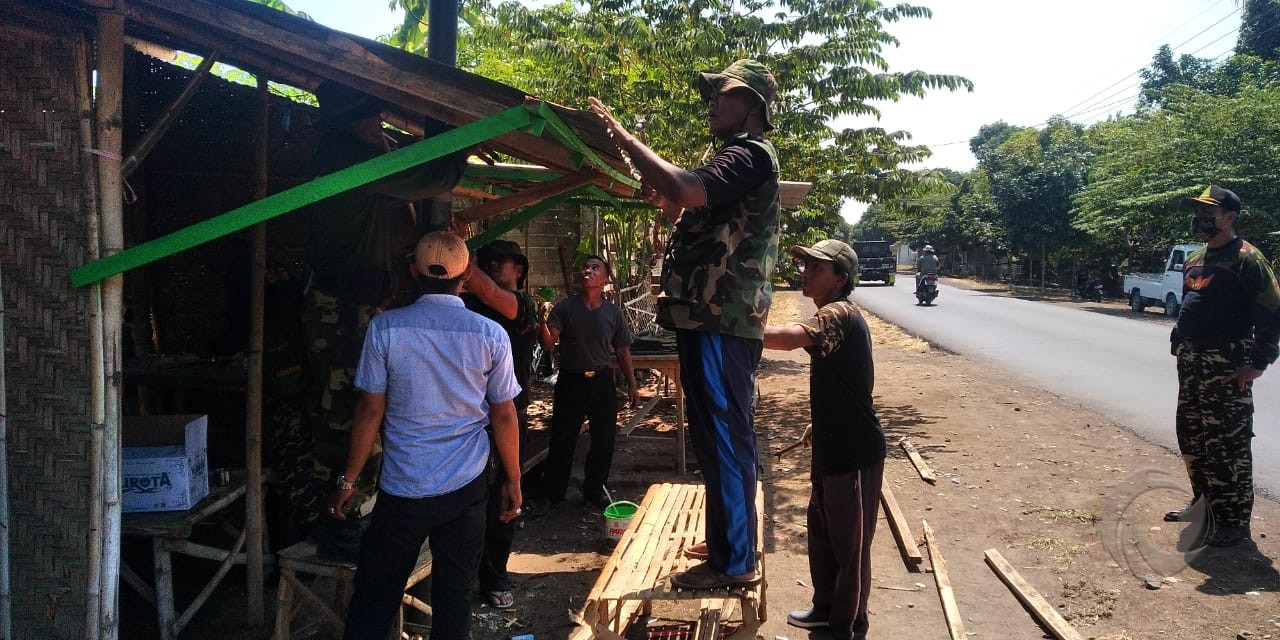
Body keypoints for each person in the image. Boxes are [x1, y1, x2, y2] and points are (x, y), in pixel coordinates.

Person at [589, 59, 780, 590]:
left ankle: (736, 562)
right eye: (713, 94)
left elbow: (683, 187)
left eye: (725, 94)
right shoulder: (731, 159)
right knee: (716, 436)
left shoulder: (749, 155)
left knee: (725, 437)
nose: (712, 102)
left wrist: (625, 137)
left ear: (753, 106)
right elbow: (680, 202)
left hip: (722, 321)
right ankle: (728, 542)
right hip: (708, 319)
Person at [328, 231, 523, 640]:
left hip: (404, 489)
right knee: (454, 597)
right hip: (466, 489)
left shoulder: (386, 328)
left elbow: (369, 410)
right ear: (465, 277)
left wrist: (349, 481)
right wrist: (513, 479)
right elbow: (504, 415)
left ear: (414, 271)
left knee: (375, 595)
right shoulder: (490, 335)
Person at [301, 81, 468, 545]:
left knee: (349, 407)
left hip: (348, 302)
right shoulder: (349, 160)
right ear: (352, 123)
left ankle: (346, 507)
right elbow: (434, 178)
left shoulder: (345, 156)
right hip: (343, 308)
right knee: (355, 409)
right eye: (373, 118)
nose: (380, 126)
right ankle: (345, 514)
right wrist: (454, 148)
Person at [764, 239, 885, 640]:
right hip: (832, 444)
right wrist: (820, 423)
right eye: (806, 265)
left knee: (850, 545)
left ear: (840, 278)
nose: (806, 272)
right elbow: (854, 381)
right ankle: (824, 608)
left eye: (816, 268)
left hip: (853, 450)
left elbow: (785, 338)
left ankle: (845, 626)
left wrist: (730, 326)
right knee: (823, 532)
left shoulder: (838, 312)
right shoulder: (837, 316)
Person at [1164, 185, 1280, 547]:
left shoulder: (1247, 259)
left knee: (1227, 446)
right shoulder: (1195, 259)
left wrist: (1258, 363)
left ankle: (1233, 523)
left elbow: (1272, 312)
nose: (1201, 218)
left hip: (1227, 366)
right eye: (1198, 211)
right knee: (1193, 438)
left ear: (1229, 217)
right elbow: (1192, 304)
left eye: (1208, 212)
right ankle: (1203, 507)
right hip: (1193, 365)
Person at [460, 239, 547, 609]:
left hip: (509, 417)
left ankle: (494, 576)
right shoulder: (467, 306)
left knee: (504, 501)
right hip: (467, 417)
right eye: (489, 260)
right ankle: (463, 577)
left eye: (504, 261)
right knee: (466, 502)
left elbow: (495, 296)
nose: (496, 265)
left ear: (520, 269)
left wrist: (459, 260)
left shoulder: (524, 306)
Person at [531, 255, 639, 514]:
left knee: (604, 440)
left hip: (601, 382)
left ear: (605, 280)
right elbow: (547, 344)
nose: (588, 270)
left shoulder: (613, 313)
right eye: (585, 267)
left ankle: (594, 491)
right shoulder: (565, 308)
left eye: (595, 268)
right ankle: (553, 494)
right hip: (571, 381)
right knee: (562, 439)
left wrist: (633, 385)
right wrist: (541, 323)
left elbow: (622, 351)